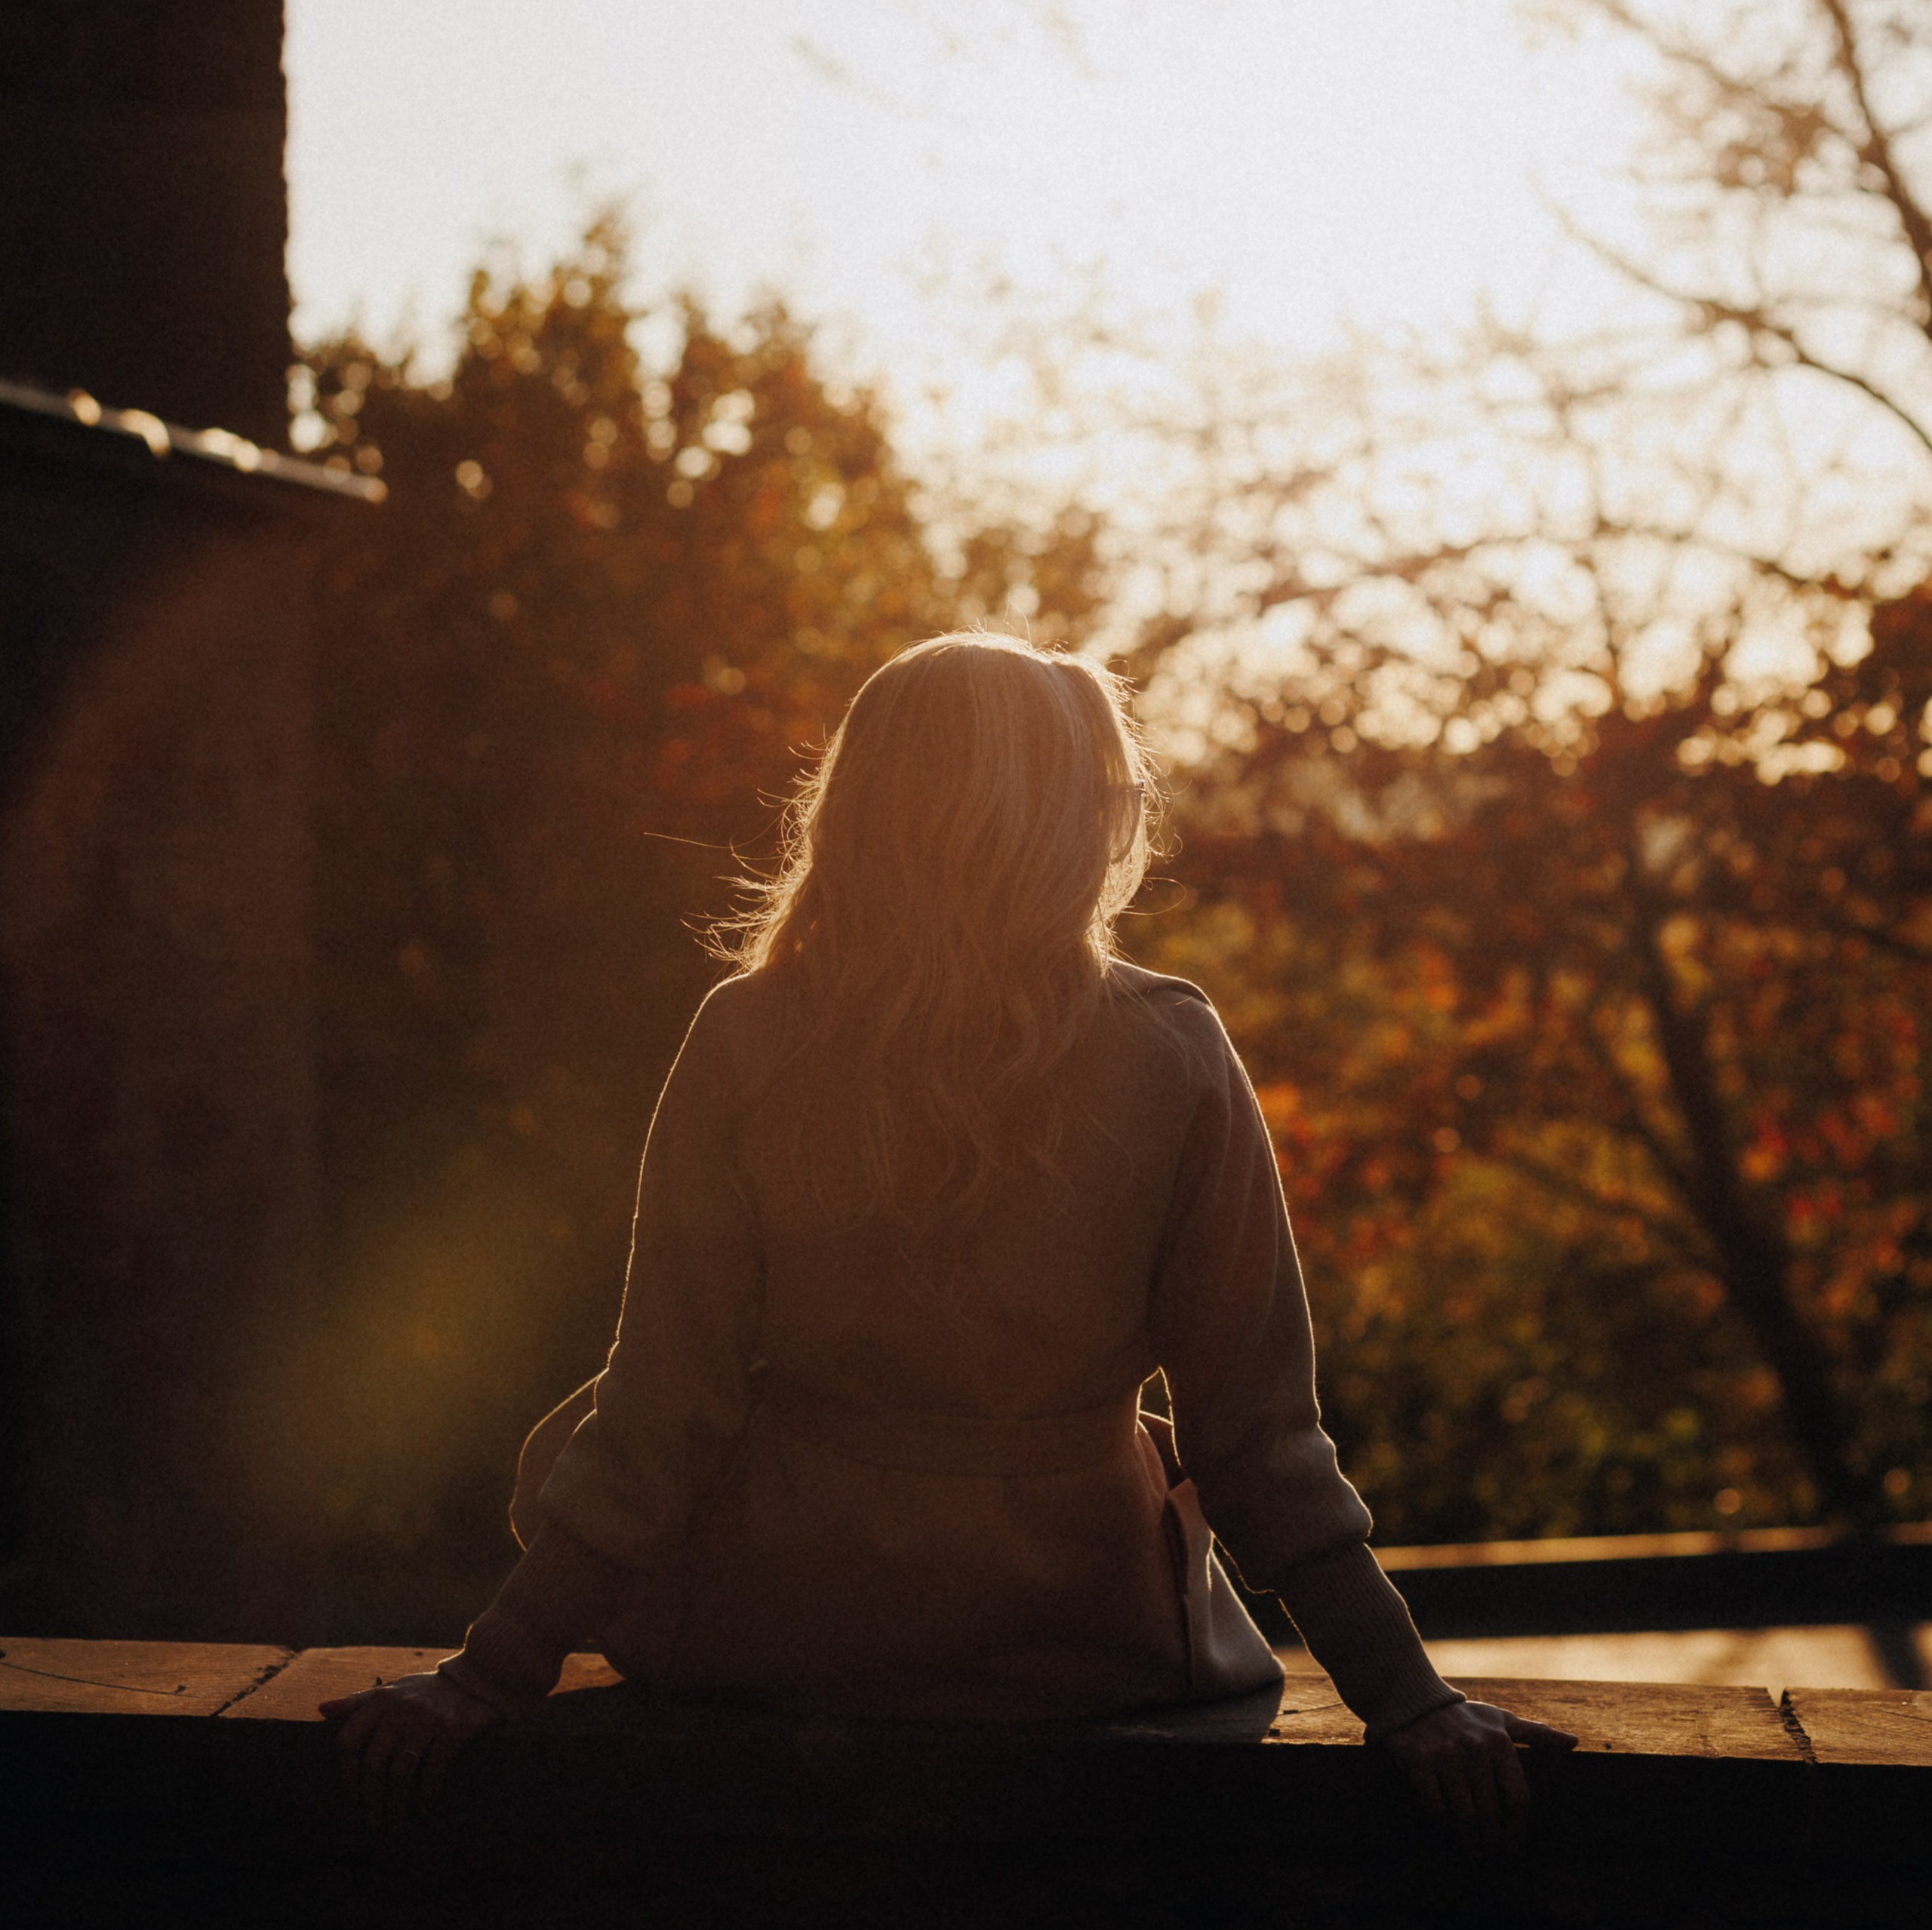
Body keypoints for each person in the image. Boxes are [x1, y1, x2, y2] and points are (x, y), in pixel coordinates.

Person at [324, 633, 1572, 1842]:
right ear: (1070, 818)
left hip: (793, 1636)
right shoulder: (1173, 1050)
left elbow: (664, 1407)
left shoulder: (748, 1036)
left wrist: (487, 1678)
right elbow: (1257, 1435)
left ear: (860, 808)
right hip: (1087, 1644)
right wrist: (1410, 1700)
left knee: (569, 1444)